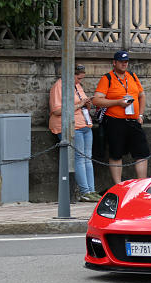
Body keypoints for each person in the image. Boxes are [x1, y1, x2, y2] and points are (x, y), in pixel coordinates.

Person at [92, 50, 149, 184]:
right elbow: (97, 100)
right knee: (116, 153)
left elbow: (142, 96)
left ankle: (142, 184)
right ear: (114, 63)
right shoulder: (107, 78)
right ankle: (118, 184)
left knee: (141, 152)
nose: (124, 64)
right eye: (121, 62)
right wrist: (117, 102)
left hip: (133, 120)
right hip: (115, 121)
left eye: (126, 62)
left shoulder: (133, 76)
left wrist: (140, 114)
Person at [49, 64, 100, 202]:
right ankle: (85, 192)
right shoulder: (59, 86)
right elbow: (57, 110)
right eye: (77, 77)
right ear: (70, 74)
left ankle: (92, 190)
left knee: (88, 158)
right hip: (71, 126)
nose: (80, 80)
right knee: (79, 158)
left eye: (81, 77)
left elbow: (82, 103)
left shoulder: (78, 86)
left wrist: (87, 103)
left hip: (84, 124)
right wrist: (79, 105)